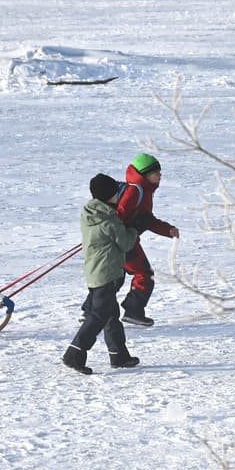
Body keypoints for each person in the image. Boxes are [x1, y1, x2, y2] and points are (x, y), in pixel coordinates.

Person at [63, 173, 145, 375]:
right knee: (98, 315)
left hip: (95, 272)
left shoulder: (91, 213)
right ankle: (74, 353)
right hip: (107, 274)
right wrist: (135, 228)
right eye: (116, 192)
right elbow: (125, 243)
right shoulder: (109, 221)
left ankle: (119, 355)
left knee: (110, 315)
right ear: (110, 195)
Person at [116, 153, 179, 327]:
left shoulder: (142, 191)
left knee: (114, 278)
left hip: (119, 241)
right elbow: (118, 217)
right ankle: (133, 311)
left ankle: (92, 311)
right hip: (124, 241)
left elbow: (147, 219)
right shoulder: (135, 191)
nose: (160, 176)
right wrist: (127, 230)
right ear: (145, 174)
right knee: (144, 274)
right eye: (156, 172)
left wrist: (168, 230)